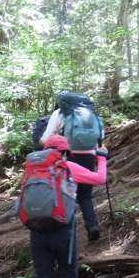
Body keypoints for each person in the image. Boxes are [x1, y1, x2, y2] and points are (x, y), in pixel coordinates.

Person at [29, 135, 108, 278]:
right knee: (68, 274)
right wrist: (102, 157)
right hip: (63, 231)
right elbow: (100, 179)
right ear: (64, 153)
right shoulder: (68, 167)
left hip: (36, 231)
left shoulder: (33, 169)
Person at [39, 95, 104, 242]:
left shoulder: (59, 113)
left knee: (65, 193)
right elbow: (100, 136)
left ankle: (67, 231)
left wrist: (41, 143)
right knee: (85, 195)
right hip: (88, 155)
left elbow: (46, 138)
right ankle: (92, 225)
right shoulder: (89, 113)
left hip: (66, 155)